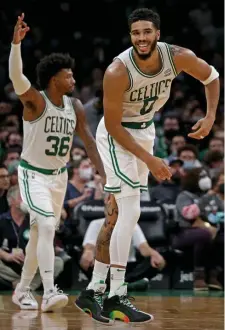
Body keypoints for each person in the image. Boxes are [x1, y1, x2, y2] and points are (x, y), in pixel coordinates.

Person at [75, 7, 220, 324]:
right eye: (135, 33)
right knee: (128, 213)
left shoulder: (178, 57)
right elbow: (113, 126)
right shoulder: (118, 71)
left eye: (146, 32)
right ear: (131, 37)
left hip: (145, 130)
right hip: (118, 136)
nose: (141, 38)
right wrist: (151, 159)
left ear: (157, 33)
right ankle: (116, 295)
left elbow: (212, 77)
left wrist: (210, 116)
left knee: (123, 215)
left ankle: (95, 289)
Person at [9, 13, 105, 313]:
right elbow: (16, 78)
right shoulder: (36, 101)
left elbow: (88, 141)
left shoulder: (75, 105)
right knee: (49, 226)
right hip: (33, 175)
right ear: (54, 79)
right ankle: (50, 291)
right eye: (69, 75)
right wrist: (15, 44)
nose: (74, 80)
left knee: (40, 234)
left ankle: (22, 290)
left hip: (58, 177)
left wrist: (105, 174)